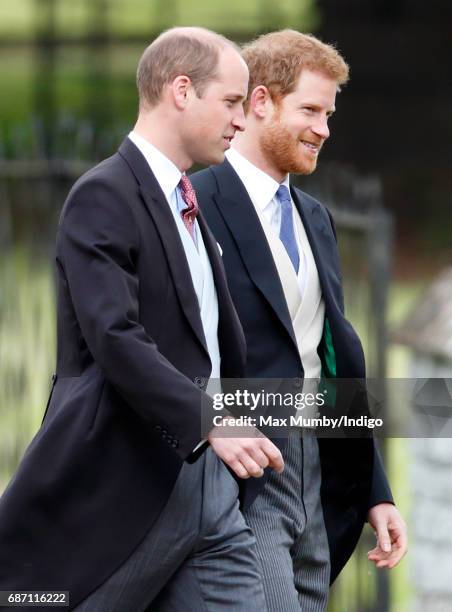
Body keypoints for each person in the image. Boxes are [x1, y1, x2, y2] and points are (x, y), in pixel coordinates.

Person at [0, 27, 285, 612]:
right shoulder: (102, 196)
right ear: (182, 90)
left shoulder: (189, 197)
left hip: (212, 488)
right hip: (126, 487)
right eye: (231, 102)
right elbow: (114, 336)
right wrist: (209, 421)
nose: (241, 119)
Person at [191, 29, 407, 612]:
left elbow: (328, 361)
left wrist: (374, 491)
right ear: (260, 102)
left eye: (329, 114)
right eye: (310, 110)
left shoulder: (316, 219)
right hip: (243, 475)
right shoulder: (194, 204)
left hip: (319, 475)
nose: (324, 129)